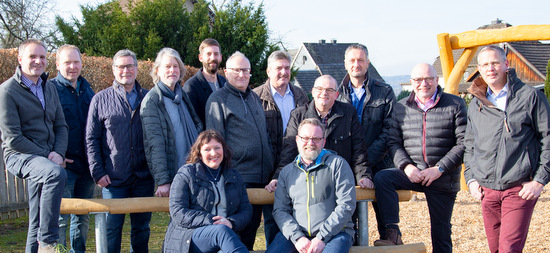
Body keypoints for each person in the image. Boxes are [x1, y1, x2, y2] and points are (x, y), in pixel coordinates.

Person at [464, 45, 550, 253]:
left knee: (509, 249)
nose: (490, 68)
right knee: (495, 249)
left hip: (518, 188)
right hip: (487, 190)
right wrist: (471, 178)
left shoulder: (530, 97)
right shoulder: (477, 103)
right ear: (479, 69)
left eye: (494, 63)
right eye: (485, 64)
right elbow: (470, 144)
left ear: (506, 64)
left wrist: (539, 180)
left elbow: (547, 138)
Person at [373, 63, 466, 252]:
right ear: (411, 82)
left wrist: (439, 168)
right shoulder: (401, 107)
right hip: (413, 172)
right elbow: (393, 142)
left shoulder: (455, 104)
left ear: (436, 80)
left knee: (441, 233)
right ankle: (392, 232)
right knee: (383, 178)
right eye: (418, 80)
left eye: (428, 79)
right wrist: (406, 166)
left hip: (442, 177)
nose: (423, 83)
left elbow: (464, 143)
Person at [0, 39, 68, 253]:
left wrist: (58, 152)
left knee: (36, 218)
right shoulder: (7, 91)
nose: (38, 61)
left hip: (46, 157)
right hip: (20, 155)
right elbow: (13, 139)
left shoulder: (49, 88)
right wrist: (50, 156)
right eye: (32, 57)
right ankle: (48, 243)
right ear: (20, 59)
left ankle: (39, 243)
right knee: (55, 174)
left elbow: (61, 125)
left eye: (42, 57)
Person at [86, 49, 153, 253]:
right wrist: (97, 172)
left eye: (130, 66)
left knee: (141, 229)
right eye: (121, 67)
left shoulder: (149, 98)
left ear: (137, 68)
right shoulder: (100, 99)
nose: (126, 70)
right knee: (112, 229)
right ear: (114, 69)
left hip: (143, 177)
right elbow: (91, 138)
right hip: (114, 179)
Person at [205, 51, 274, 250]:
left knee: (251, 232)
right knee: (235, 235)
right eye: (237, 70)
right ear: (226, 72)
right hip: (237, 178)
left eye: (246, 70)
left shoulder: (254, 97)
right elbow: (214, 145)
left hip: (262, 177)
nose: (242, 75)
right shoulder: (218, 100)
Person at [267, 118, 356, 253]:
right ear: (297, 139)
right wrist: (297, 238)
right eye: (305, 138)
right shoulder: (287, 172)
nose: (310, 143)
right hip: (298, 234)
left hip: (336, 233)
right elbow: (280, 210)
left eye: (316, 139)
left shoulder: (338, 165)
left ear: (323, 141)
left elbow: (346, 205)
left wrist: (322, 237)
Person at [337, 43, 396, 240]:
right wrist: (355, 164)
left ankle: (391, 242)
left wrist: (365, 160)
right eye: (352, 60)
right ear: (345, 64)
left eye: (361, 60)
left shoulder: (385, 92)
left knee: (386, 221)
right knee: (347, 220)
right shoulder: (336, 93)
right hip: (346, 166)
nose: (356, 64)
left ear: (368, 63)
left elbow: (390, 130)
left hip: (379, 163)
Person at [252, 50, 309, 245]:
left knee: (296, 217)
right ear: (268, 71)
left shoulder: (300, 95)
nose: (283, 72)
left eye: (287, 68)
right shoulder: (256, 97)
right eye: (278, 68)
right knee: (272, 218)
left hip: (296, 166)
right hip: (268, 168)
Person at [163, 130, 252, 253]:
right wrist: (211, 220)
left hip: (225, 236)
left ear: (224, 150)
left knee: (223, 237)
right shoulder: (186, 173)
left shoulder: (234, 175)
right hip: (189, 237)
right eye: (207, 149)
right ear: (199, 153)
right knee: (221, 231)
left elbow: (246, 209)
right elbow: (177, 211)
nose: (213, 153)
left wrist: (231, 223)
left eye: (217, 148)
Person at [278, 75, 372, 188]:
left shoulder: (349, 113)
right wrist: (278, 177)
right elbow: (288, 151)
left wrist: (363, 176)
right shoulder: (298, 115)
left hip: (340, 181)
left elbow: (359, 149)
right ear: (312, 92)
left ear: (336, 95)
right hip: (307, 183)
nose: (324, 93)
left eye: (329, 90)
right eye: (320, 89)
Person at [49, 44, 95, 252]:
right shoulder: (50, 90)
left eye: (76, 62)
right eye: (67, 62)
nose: (72, 66)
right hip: (64, 166)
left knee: (82, 217)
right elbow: (44, 125)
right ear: (58, 65)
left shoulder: (88, 90)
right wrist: (56, 153)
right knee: (60, 218)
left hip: (86, 166)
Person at [141, 48, 202, 198]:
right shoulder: (153, 101)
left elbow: (197, 127)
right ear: (157, 71)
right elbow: (154, 144)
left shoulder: (182, 96)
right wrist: (163, 181)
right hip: (174, 176)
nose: (172, 70)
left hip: (194, 171)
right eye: (167, 66)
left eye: (176, 66)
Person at [183, 38, 227, 124]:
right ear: (200, 57)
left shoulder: (225, 82)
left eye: (216, 54)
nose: (213, 58)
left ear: (220, 57)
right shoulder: (191, 87)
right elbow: (191, 123)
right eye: (208, 54)